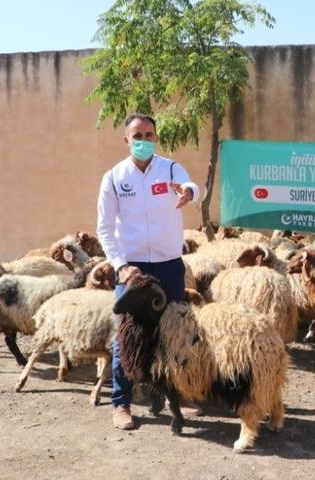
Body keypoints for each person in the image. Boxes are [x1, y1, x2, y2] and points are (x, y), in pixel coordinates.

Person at [97, 113, 201, 430]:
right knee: (126, 336)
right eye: (137, 135)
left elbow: (192, 185)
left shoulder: (170, 168)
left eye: (149, 135)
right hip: (132, 269)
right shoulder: (114, 178)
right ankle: (122, 403)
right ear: (126, 140)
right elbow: (104, 228)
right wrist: (121, 266)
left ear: (156, 138)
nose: (144, 140)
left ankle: (176, 395)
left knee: (175, 331)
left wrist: (189, 193)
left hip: (169, 265)